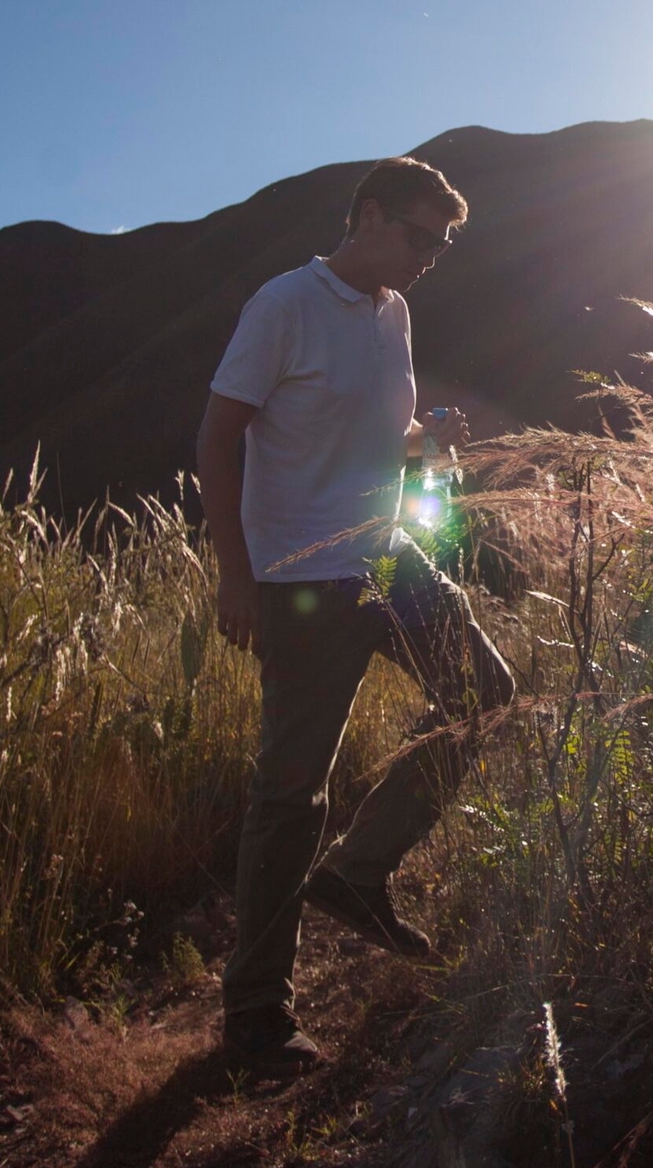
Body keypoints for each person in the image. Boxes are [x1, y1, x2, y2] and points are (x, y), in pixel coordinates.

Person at [197, 156, 514, 1075]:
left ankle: (360, 870)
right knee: (291, 794)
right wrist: (235, 574)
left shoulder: (395, 314)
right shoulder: (283, 306)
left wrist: (428, 437)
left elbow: (380, 434)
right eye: (419, 236)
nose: (429, 257)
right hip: (301, 579)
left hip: (384, 558)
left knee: (485, 691)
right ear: (368, 216)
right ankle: (255, 1015)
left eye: (441, 244)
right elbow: (216, 437)